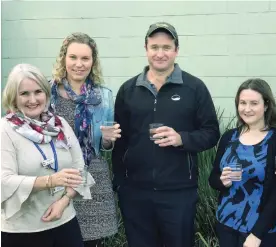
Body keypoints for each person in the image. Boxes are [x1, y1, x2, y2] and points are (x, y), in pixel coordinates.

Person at [112, 22, 220, 247]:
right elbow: (120, 141)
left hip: (178, 193)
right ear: (146, 49)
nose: (160, 53)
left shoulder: (194, 88)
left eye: (166, 47)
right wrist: (122, 185)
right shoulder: (128, 90)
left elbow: (211, 133)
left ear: (176, 50)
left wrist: (182, 139)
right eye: (154, 47)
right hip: (136, 194)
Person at [1, 64, 94, 247]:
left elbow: (80, 169)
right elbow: (4, 181)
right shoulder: (5, 130)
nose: (33, 99)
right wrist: (51, 181)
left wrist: (65, 201)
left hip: (65, 222)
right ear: (13, 97)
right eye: (24, 94)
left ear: (46, 93)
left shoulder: (59, 125)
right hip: (22, 231)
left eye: (38, 92)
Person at [49, 32, 120, 247]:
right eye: (73, 57)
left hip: (92, 177)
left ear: (93, 62)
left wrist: (108, 140)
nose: (79, 64)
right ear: (64, 59)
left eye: (85, 58)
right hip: (56, 176)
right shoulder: (47, 92)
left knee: (91, 241)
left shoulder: (103, 96)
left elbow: (104, 146)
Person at [209, 78, 276, 247]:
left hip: (261, 230)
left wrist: (257, 234)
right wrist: (222, 181)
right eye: (242, 103)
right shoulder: (229, 137)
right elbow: (213, 178)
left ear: (266, 105)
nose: (247, 109)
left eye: (254, 103)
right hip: (226, 223)